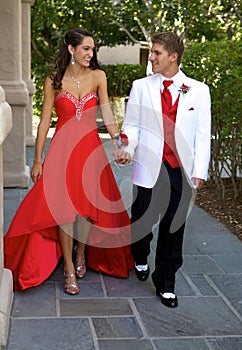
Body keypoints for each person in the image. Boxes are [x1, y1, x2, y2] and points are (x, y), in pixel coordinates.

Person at [4, 28, 134, 295]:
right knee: (64, 212)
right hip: (61, 153)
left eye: (93, 49)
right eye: (86, 48)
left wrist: (120, 143)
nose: (91, 53)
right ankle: (68, 268)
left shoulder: (98, 76)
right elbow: (43, 124)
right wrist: (38, 160)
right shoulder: (53, 80)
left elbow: (107, 114)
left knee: (86, 210)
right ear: (71, 49)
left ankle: (81, 253)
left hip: (90, 152)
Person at [114, 31, 211, 308]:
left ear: (173, 56)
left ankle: (166, 282)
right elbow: (131, 127)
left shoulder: (199, 91)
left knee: (174, 227)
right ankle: (140, 255)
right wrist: (126, 149)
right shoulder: (141, 86)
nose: (152, 57)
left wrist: (200, 170)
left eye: (157, 53)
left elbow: (202, 135)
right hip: (149, 165)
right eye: (152, 52)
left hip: (180, 170)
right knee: (142, 222)